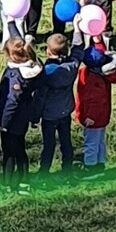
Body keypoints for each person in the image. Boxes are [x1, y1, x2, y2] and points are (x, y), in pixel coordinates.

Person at [0, 37, 41, 190]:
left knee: (9, 152)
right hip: (23, 118)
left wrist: (4, 123)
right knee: (20, 150)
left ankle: (7, 183)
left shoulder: (15, 75)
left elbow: (11, 102)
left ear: (11, 56)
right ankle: (24, 181)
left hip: (11, 120)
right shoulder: (33, 69)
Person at [33, 32, 78, 172]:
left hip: (49, 114)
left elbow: (40, 96)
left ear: (47, 51)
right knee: (66, 142)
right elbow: (79, 50)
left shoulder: (45, 73)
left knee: (49, 144)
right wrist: (77, 30)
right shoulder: (72, 66)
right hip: (65, 111)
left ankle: (44, 171)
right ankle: (67, 170)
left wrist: (35, 116)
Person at [75, 42, 116, 171]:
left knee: (91, 143)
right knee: (100, 142)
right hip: (102, 116)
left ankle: (90, 167)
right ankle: (100, 164)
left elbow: (96, 100)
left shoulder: (93, 80)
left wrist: (90, 116)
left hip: (93, 118)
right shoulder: (105, 75)